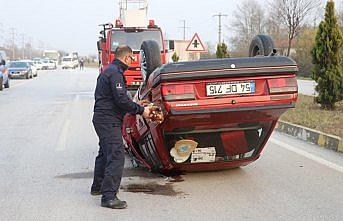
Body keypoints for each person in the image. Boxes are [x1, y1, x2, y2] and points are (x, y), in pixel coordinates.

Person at [91, 45, 151, 209]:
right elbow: (121, 101)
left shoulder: (109, 70)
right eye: (132, 58)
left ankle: (97, 187)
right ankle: (109, 196)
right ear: (126, 58)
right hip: (108, 121)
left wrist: (136, 104)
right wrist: (141, 110)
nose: (132, 61)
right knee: (116, 156)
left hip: (102, 119)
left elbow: (116, 98)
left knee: (104, 153)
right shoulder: (115, 73)